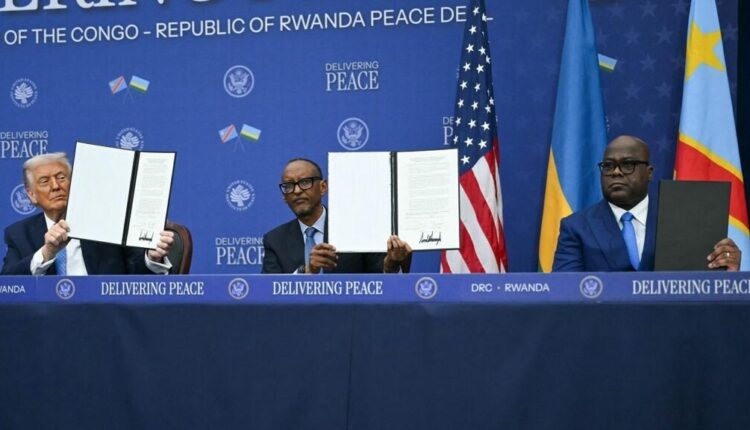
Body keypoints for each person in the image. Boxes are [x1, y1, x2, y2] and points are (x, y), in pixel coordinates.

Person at [553, 135, 741, 272]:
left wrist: (728, 272)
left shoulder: (685, 219)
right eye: (608, 166)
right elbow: (565, 292)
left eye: (628, 164)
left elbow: (705, 289)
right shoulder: (576, 227)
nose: (616, 172)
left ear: (649, 173)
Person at [2, 152, 174, 275]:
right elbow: (8, 285)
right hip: (47, 314)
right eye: (44, 181)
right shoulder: (19, 234)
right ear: (31, 195)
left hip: (104, 311)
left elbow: (137, 275)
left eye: (61, 178)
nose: (55, 186)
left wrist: (152, 258)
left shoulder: (110, 221)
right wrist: (47, 252)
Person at [262, 158, 412, 274]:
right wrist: (307, 272)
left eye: (305, 182)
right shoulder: (275, 240)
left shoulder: (358, 228)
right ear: (284, 196)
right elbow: (267, 293)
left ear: (323, 187)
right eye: (289, 186)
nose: (296, 191)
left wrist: (391, 265)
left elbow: (383, 284)